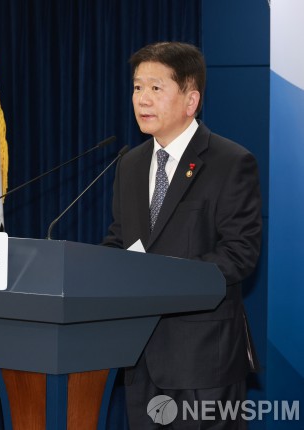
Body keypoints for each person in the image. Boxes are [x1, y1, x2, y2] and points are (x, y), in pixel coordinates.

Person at [102, 42, 261, 429]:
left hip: (203, 362)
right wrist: (95, 268)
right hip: (139, 358)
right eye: (137, 87)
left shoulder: (230, 162)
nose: (143, 98)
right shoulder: (130, 164)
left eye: (156, 88)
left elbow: (239, 254)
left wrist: (165, 276)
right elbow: (119, 240)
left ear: (191, 100)